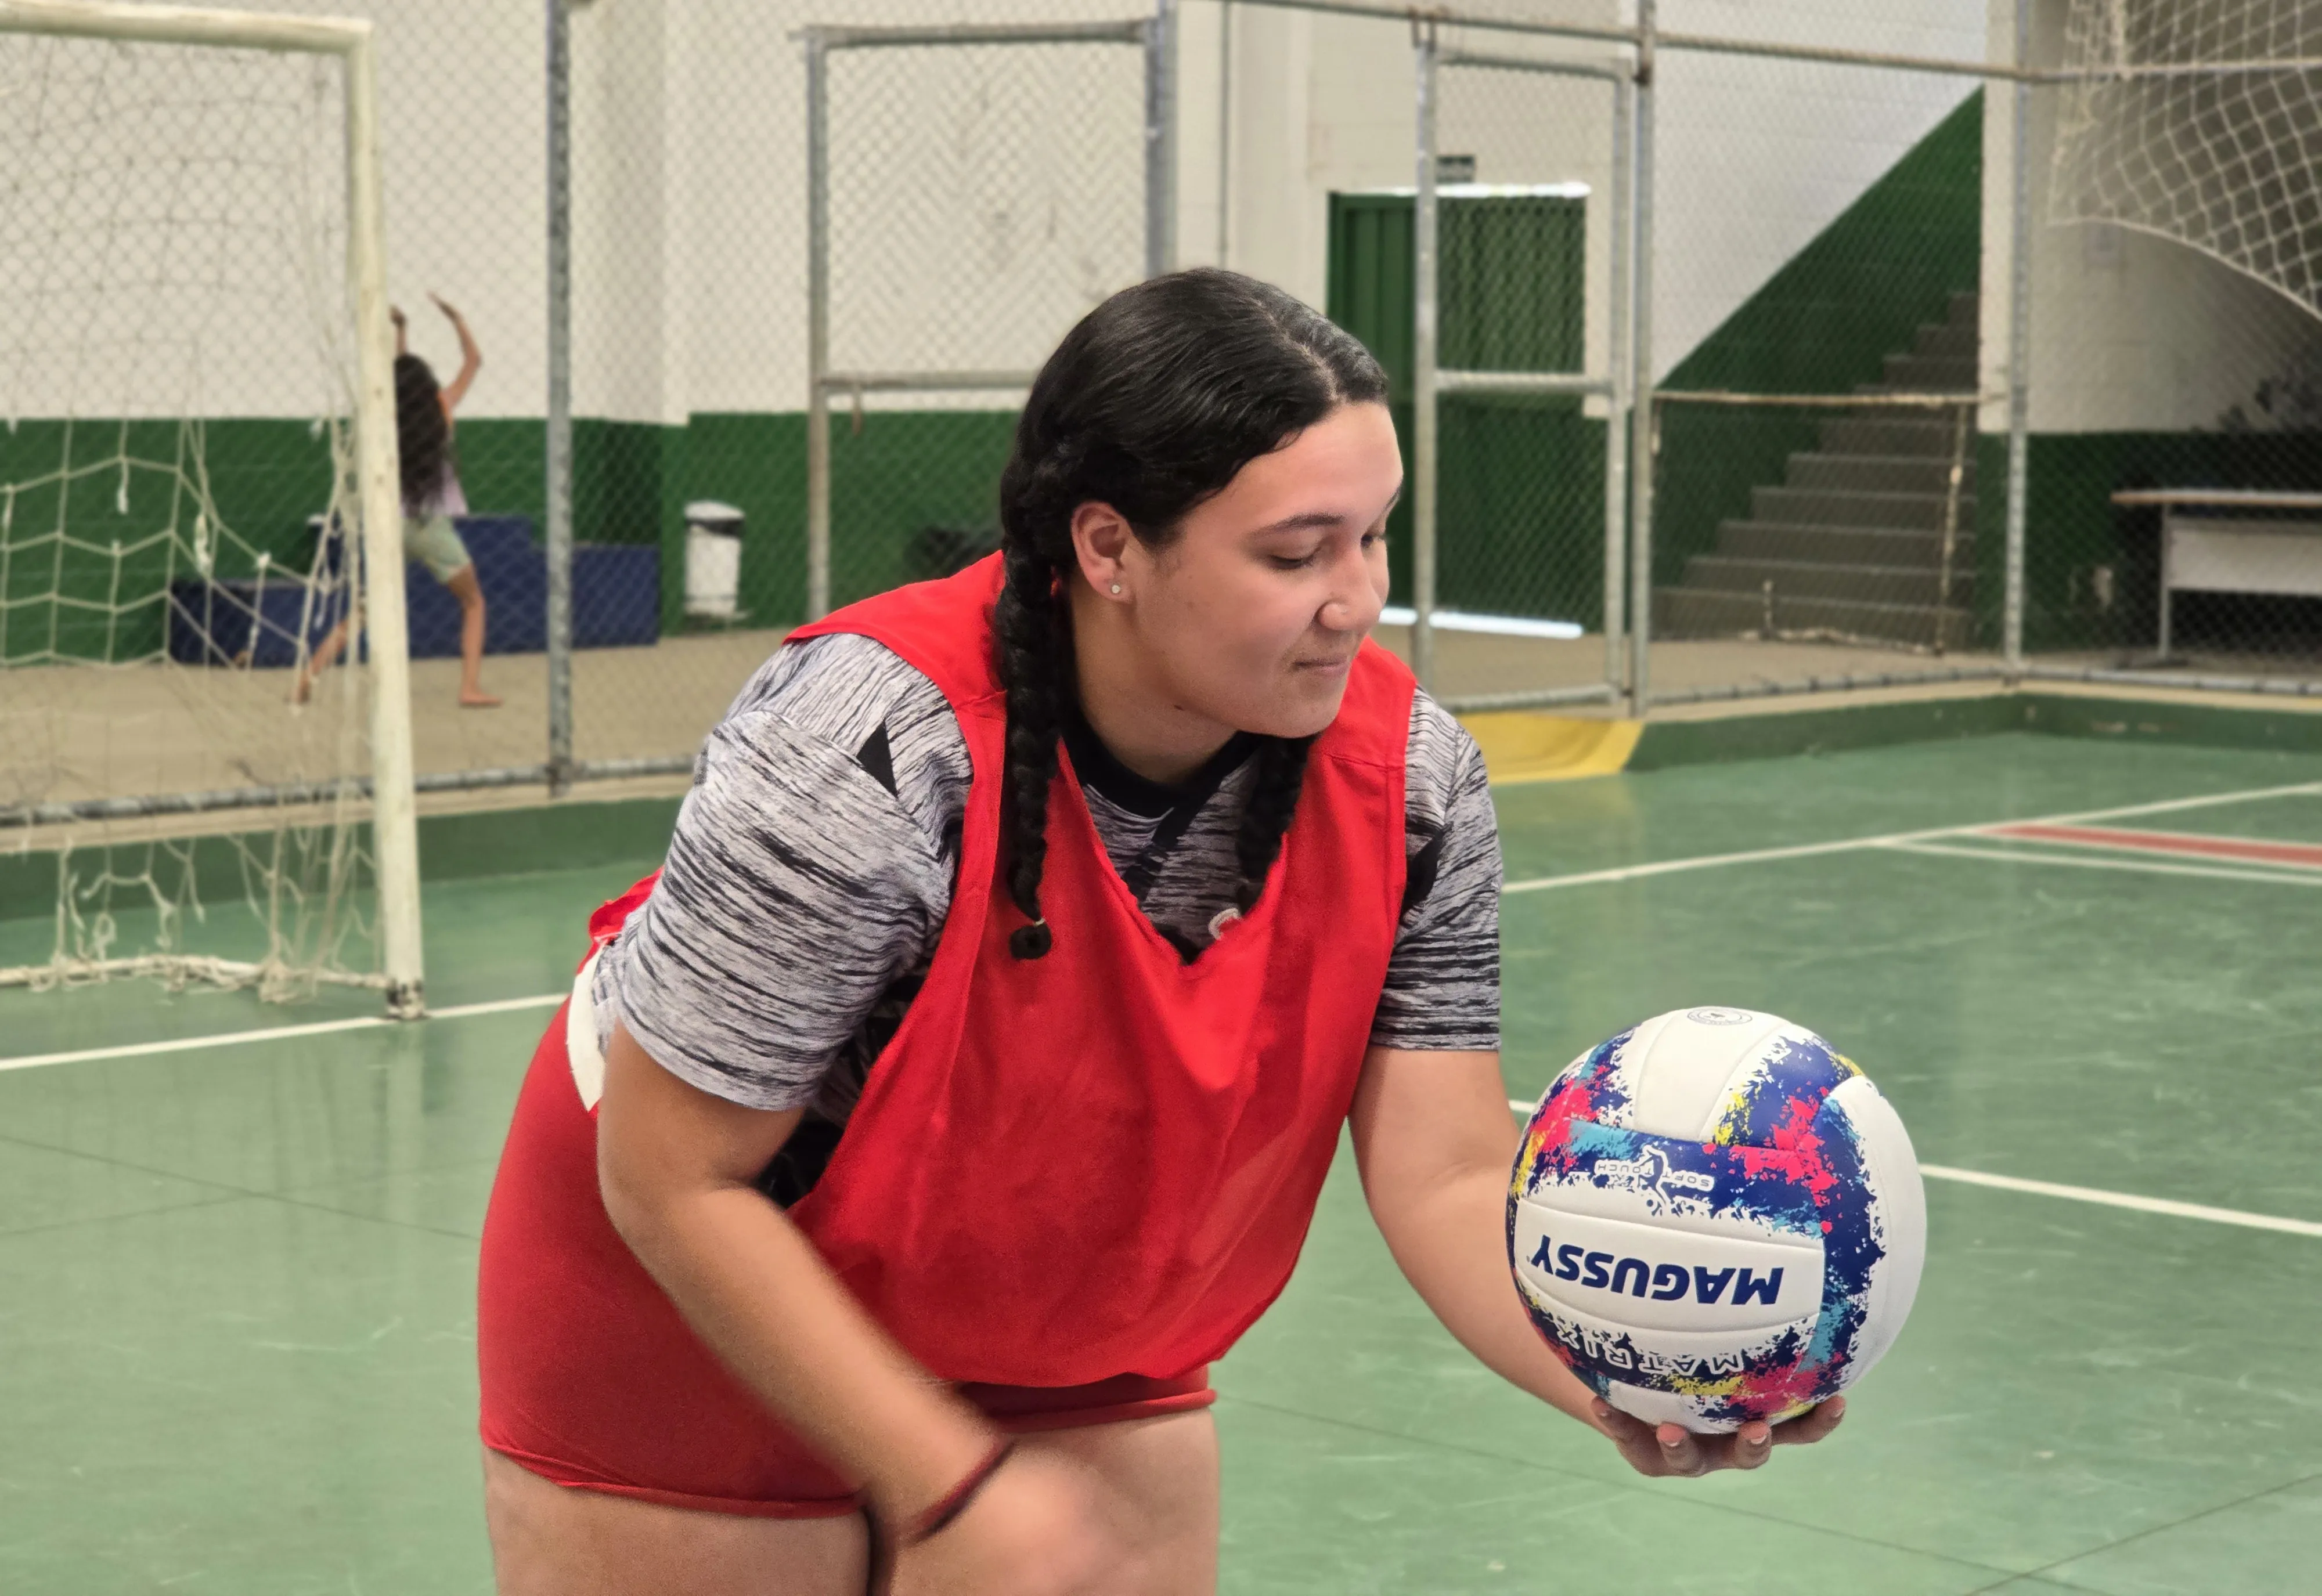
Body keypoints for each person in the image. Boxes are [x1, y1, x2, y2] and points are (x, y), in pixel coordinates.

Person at [474, 269, 1842, 1596]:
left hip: (1053, 1265)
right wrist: (945, 1476)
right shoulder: (863, 751)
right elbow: (670, 1175)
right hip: (702, 1270)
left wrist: (1621, 1368)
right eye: (1295, 551)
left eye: (1373, 535)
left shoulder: (1410, 778)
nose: (1356, 596)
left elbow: (1443, 1167)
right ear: (1108, 546)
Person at [298, 293, 497, 707]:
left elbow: (399, 381)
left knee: (363, 611)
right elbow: (474, 361)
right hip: (430, 527)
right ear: (427, 387)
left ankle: (309, 675)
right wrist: (457, 317)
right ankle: (469, 687)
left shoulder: (386, 418)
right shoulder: (441, 408)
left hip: (390, 526)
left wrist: (401, 331)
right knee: (474, 602)